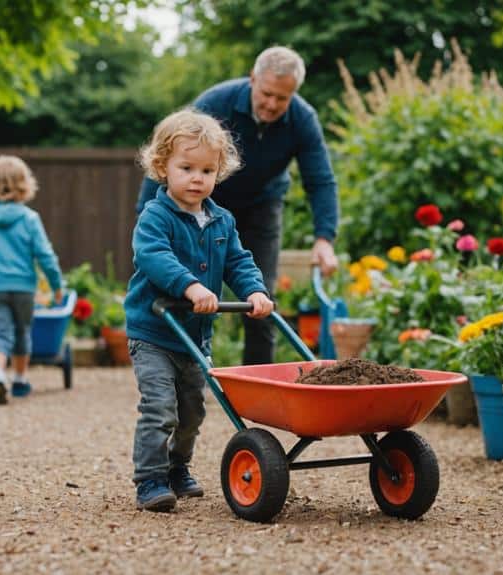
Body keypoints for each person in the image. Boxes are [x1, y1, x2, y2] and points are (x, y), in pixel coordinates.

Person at [136, 45, 338, 366]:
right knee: (183, 283)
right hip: (205, 203)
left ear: (294, 94)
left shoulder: (303, 119)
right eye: (267, 93)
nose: (272, 104)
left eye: (282, 99)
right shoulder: (216, 104)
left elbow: (320, 180)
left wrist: (324, 238)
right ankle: (170, 366)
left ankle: (258, 386)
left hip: (262, 206)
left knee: (260, 296)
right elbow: (169, 153)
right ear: (253, 78)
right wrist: (147, 217)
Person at [125, 109, 274, 512]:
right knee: (160, 408)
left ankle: (178, 467)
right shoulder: (156, 217)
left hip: (194, 337)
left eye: (207, 170)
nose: (197, 178)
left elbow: (238, 262)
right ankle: (150, 479)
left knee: (192, 411)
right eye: (187, 167)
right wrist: (189, 285)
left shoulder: (222, 220)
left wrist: (255, 292)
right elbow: (153, 257)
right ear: (162, 167)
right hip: (154, 333)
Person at [0, 155, 63, 405]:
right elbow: (45, 255)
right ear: (24, 184)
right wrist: (56, 285)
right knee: (22, 332)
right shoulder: (29, 219)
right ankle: (19, 379)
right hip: (23, 288)